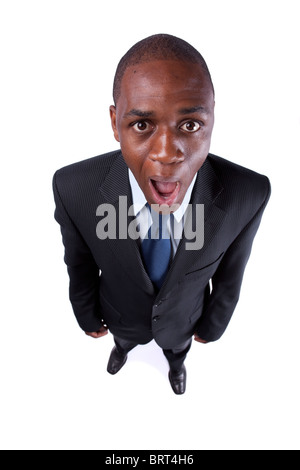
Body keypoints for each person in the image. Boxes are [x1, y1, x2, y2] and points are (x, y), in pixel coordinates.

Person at [53, 34, 271, 395]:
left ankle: (175, 365)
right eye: (142, 125)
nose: (168, 154)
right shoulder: (74, 187)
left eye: (189, 125)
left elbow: (232, 275)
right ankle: (122, 350)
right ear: (114, 123)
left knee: (176, 351)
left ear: (212, 118)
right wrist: (87, 315)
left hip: (183, 322)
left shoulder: (247, 194)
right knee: (124, 340)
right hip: (120, 315)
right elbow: (78, 263)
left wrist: (213, 327)